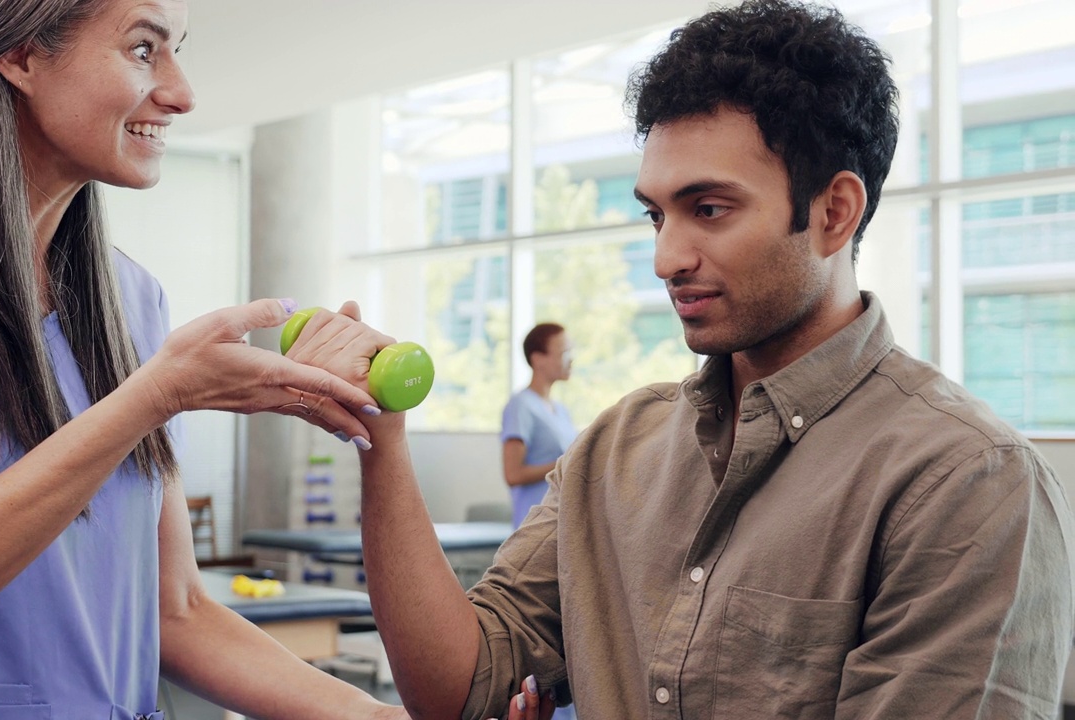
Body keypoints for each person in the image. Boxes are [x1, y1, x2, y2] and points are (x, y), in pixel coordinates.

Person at [293, 1, 1075, 718]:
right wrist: (379, 437)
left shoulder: (966, 481)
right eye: (655, 215)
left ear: (834, 212)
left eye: (709, 209)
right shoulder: (615, 449)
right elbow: (459, 686)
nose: (667, 257)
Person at [0, 1, 408, 717]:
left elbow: (174, 611)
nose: (181, 93)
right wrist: (152, 397)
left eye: (176, 50)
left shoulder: (132, 299)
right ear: (21, 57)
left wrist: (383, 716)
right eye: (145, 49)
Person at [501, 323, 577, 529]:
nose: (571, 359)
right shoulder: (520, 406)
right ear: (537, 359)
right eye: (564, 352)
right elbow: (513, 474)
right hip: (534, 524)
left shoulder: (561, 410)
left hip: (561, 522)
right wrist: (567, 462)